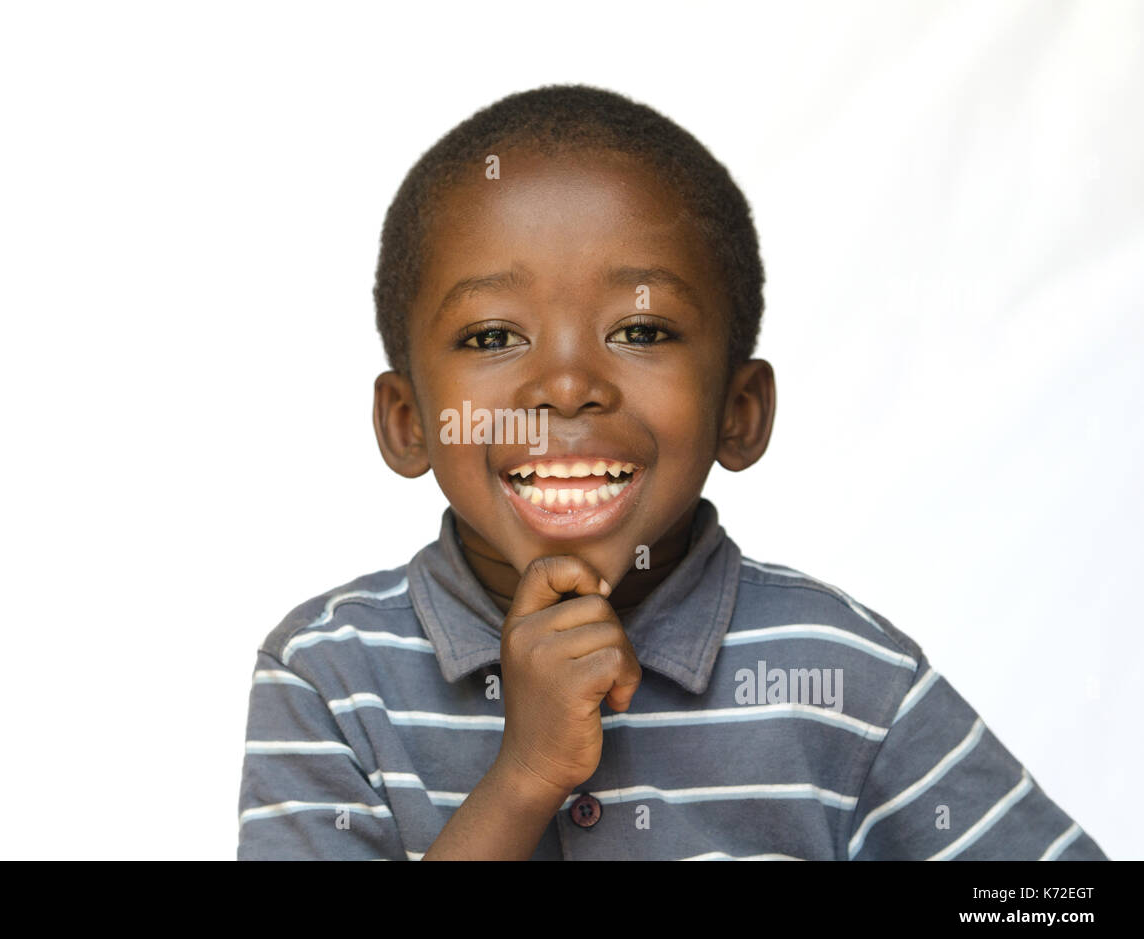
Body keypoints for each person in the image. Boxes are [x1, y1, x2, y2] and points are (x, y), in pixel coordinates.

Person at [236, 83, 1108, 860]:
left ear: (740, 411)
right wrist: (525, 775)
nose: (569, 385)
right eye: (493, 336)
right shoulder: (328, 675)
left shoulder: (841, 675)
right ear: (407, 421)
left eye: (642, 332)